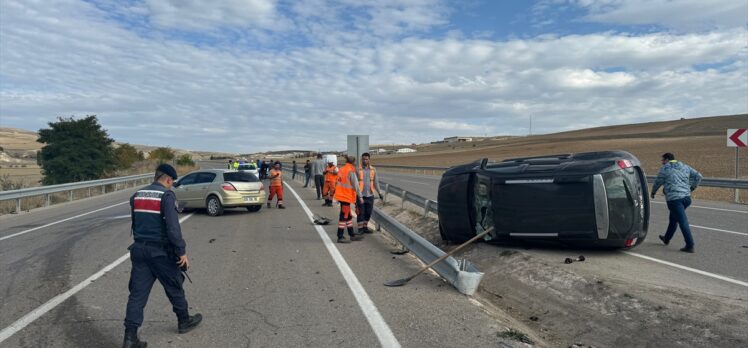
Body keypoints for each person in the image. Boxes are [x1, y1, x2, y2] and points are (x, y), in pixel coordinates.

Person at [123, 164, 202, 348]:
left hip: (139, 250)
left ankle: (129, 338)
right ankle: (184, 321)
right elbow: (173, 229)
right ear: (167, 179)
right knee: (175, 285)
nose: (171, 185)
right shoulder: (166, 196)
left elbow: (137, 220)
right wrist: (181, 252)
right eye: (171, 182)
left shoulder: (137, 195)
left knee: (137, 295)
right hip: (161, 252)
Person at [651, 153, 702, 253]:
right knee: (673, 219)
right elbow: (698, 176)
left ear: (667, 159)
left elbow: (658, 181)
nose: (662, 162)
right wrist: (691, 188)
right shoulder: (684, 166)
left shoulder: (665, 168)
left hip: (674, 200)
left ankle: (690, 245)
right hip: (687, 198)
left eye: (662, 160)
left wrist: (653, 192)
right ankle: (666, 238)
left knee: (682, 221)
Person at [334, 156, 364, 243]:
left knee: (348, 216)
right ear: (353, 162)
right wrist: (360, 196)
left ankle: (351, 234)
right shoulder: (351, 170)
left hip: (341, 196)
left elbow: (338, 181)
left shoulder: (342, 169)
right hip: (345, 197)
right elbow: (356, 185)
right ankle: (340, 236)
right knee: (343, 217)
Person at [356, 153, 383, 234]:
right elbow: (354, 183)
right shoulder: (358, 169)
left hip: (370, 195)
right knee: (360, 212)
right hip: (360, 195)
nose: (365, 160)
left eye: (366, 159)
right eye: (363, 159)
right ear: (361, 160)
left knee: (368, 212)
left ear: (369, 160)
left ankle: (365, 227)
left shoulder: (373, 170)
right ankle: (360, 229)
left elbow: (376, 182)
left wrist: (379, 192)